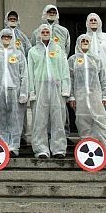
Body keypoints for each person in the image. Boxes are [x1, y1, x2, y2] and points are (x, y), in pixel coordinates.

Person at [68, 34, 106, 159]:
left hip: (95, 96)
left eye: (87, 41)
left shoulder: (97, 59)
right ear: (78, 43)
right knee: (83, 125)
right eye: (83, 41)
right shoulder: (72, 60)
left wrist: (105, 96)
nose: (85, 42)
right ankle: (88, 152)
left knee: (102, 122)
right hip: (80, 97)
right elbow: (69, 79)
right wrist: (71, 97)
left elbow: (104, 79)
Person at [27, 24, 70, 159]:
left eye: (47, 31)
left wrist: (65, 89)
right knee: (39, 120)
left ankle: (58, 149)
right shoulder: (33, 51)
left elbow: (64, 70)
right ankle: (41, 149)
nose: (45, 33)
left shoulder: (58, 50)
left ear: (51, 33)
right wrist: (31, 91)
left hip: (56, 88)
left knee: (58, 119)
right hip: (40, 89)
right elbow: (30, 73)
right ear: (39, 34)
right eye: (43, 32)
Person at [0, 28, 29, 157]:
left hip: (14, 91)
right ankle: (2, 145)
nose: (6, 39)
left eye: (9, 37)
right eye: (4, 37)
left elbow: (24, 75)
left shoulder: (19, 54)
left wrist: (23, 92)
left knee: (15, 119)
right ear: (0, 38)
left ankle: (14, 146)